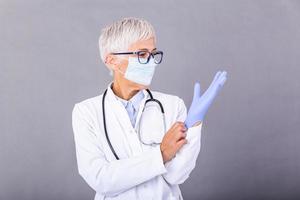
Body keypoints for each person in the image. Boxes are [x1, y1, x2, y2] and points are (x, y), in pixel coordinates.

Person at [72, 17, 227, 200]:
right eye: (142, 54)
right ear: (112, 61)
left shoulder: (172, 105)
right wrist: (162, 153)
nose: (152, 62)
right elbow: (101, 179)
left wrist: (194, 123)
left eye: (153, 54)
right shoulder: (86, 112)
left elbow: (177, 175)